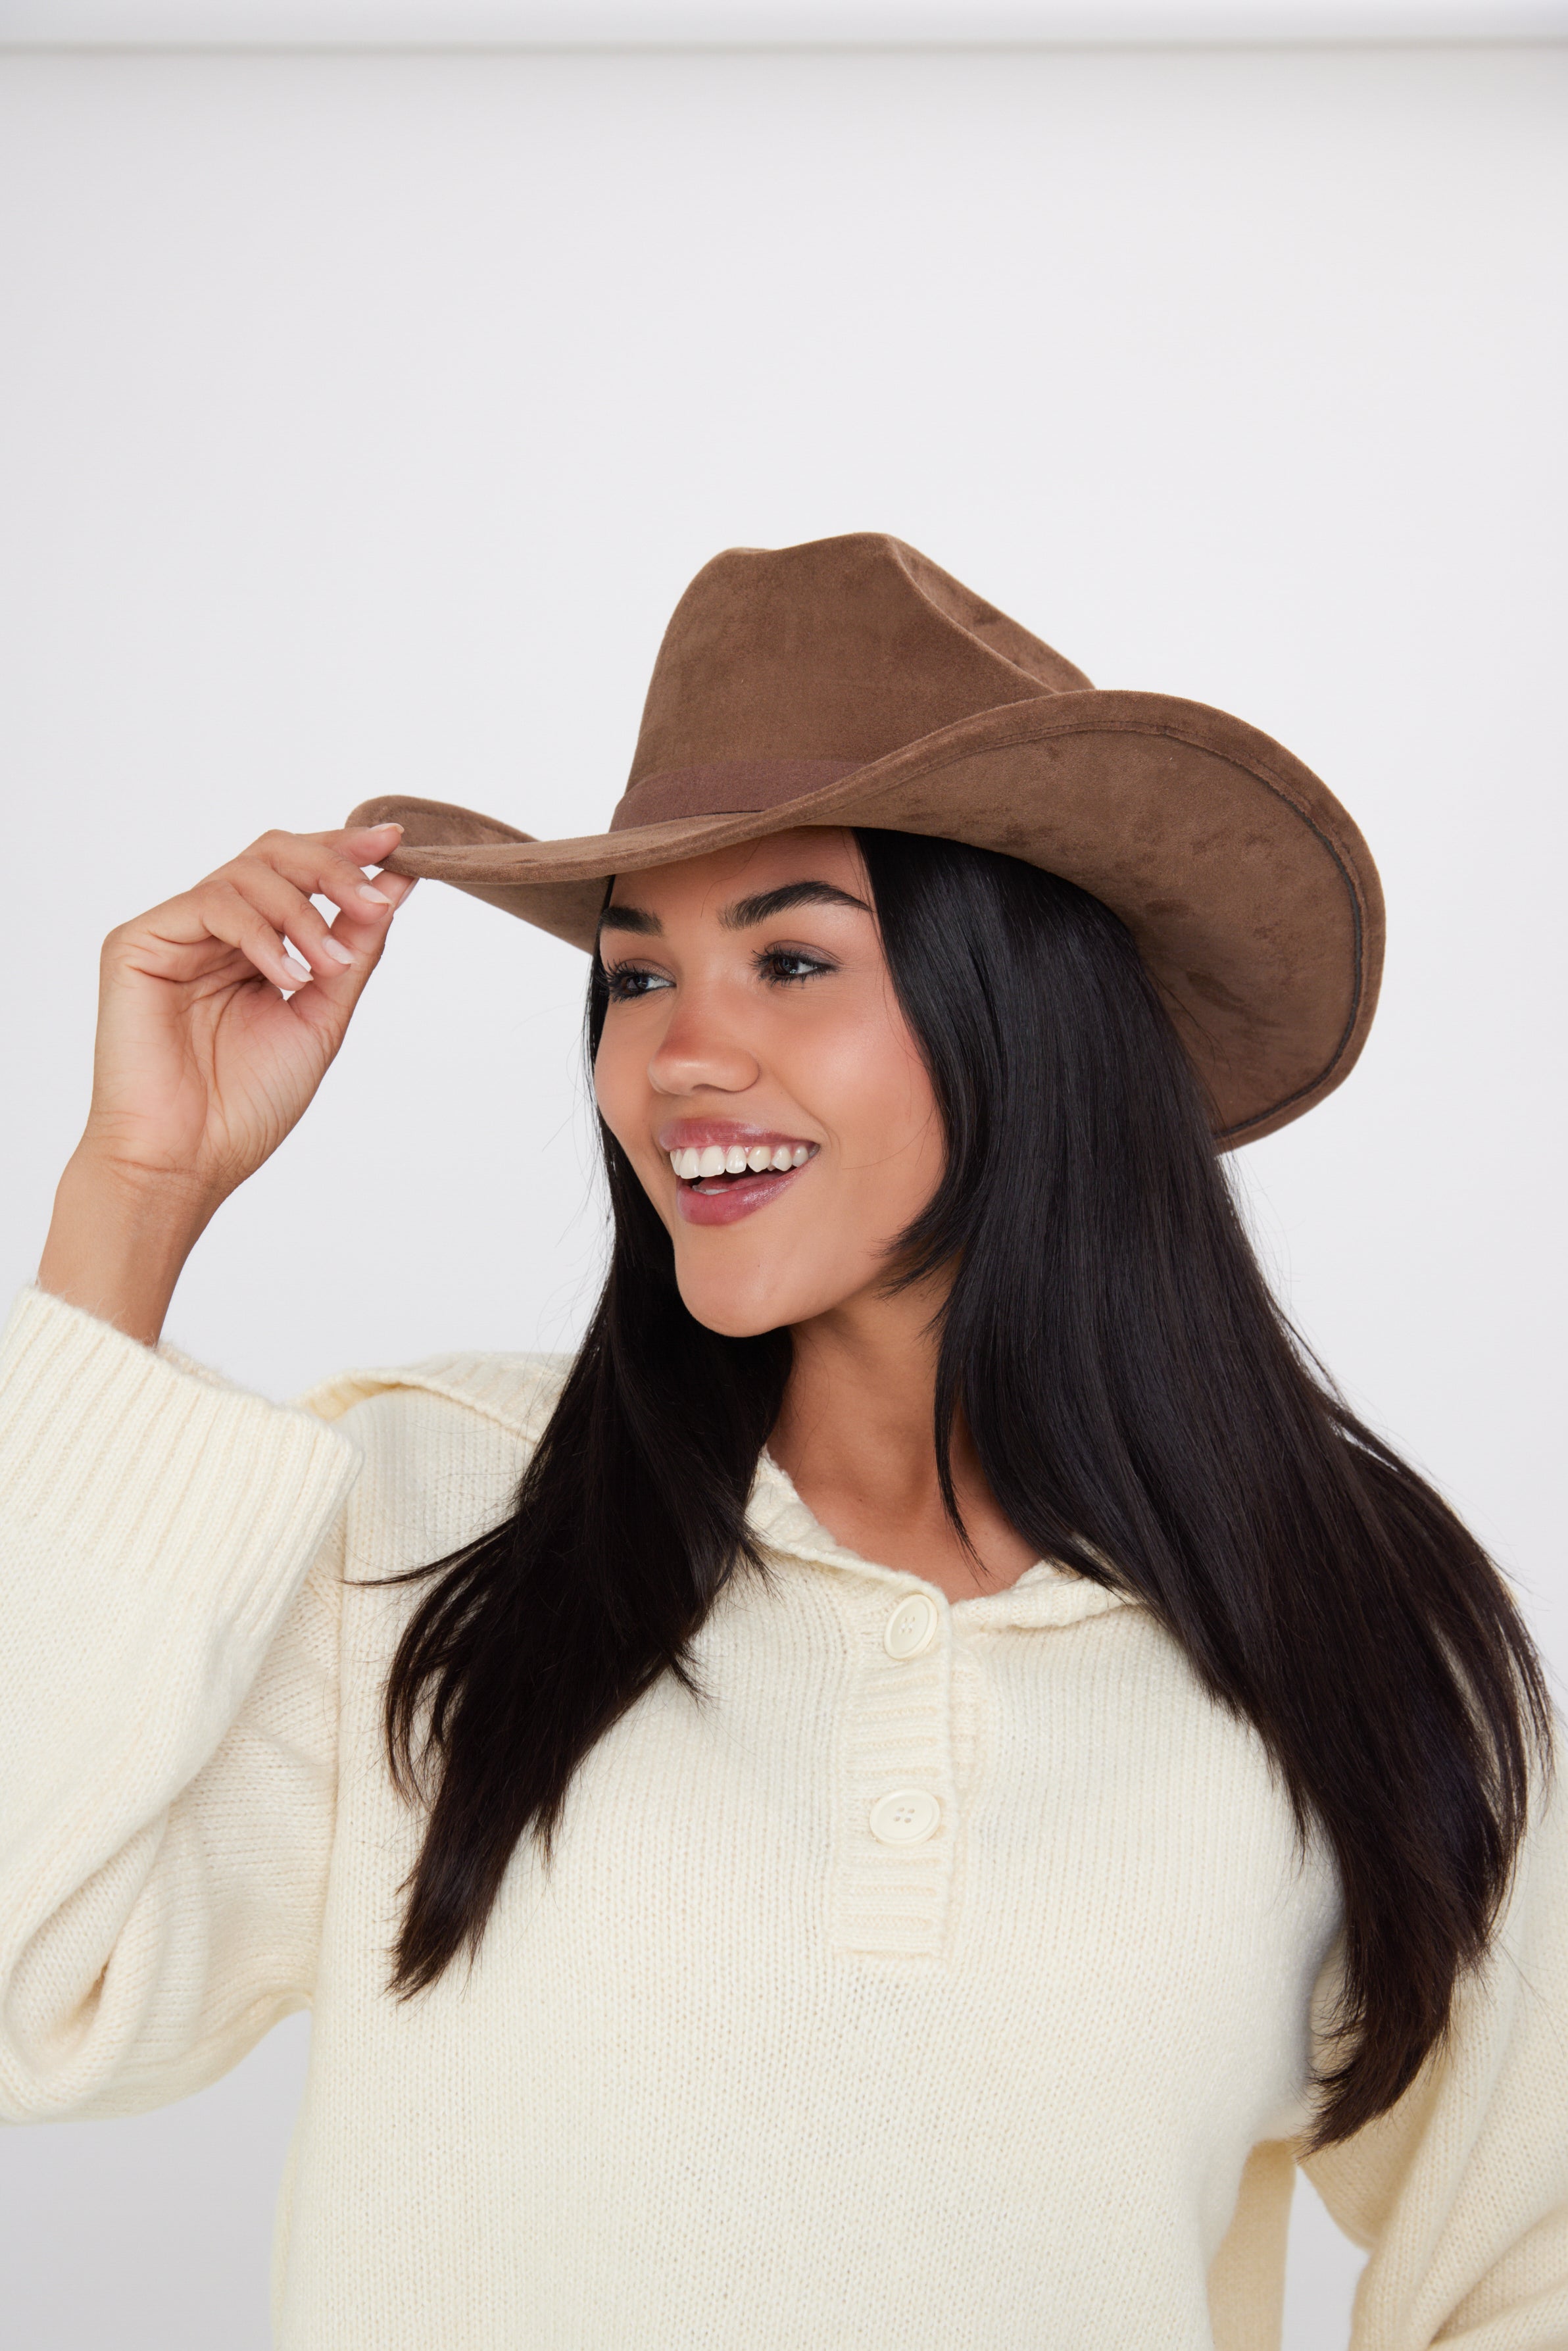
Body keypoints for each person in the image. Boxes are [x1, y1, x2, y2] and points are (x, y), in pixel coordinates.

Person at [2, 533, 1564, 2350]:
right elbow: (30, 1995)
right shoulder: (422, 1526)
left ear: (1026, 1019)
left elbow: (1527, 2254)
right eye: (639, 978)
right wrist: (133, 1195)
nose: (677, 1059)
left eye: (794, 963)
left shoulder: (1354, 1640)